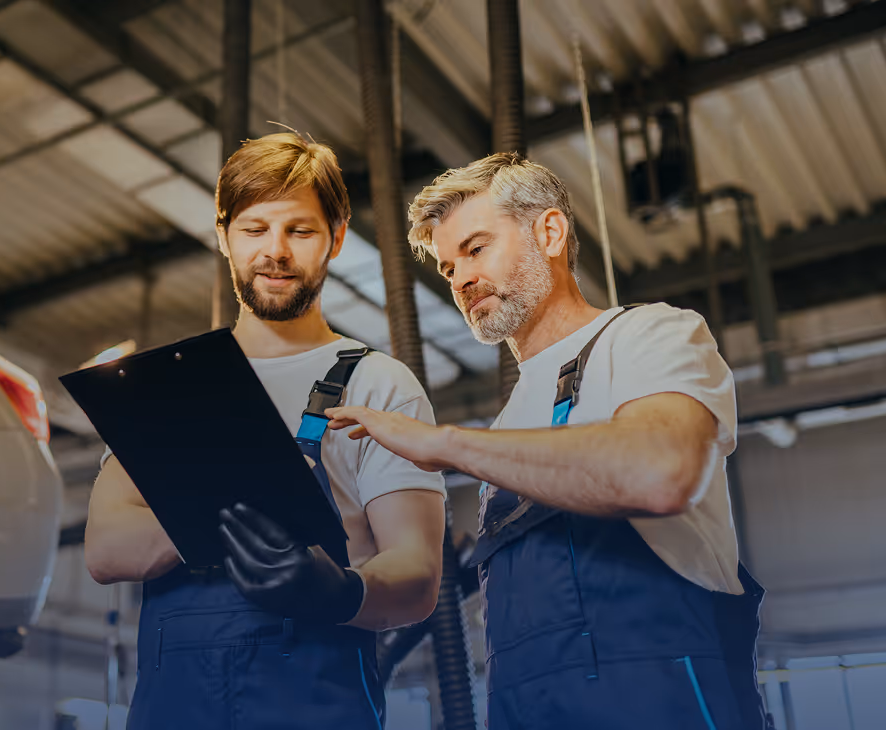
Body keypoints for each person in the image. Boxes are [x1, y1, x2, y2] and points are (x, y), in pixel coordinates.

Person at [326, 152, 769, 730]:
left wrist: (449, 445)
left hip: (660, 700)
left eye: (476, 248)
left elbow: (661, 471)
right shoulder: (511, 422)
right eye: (447, 266)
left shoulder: (646, 334)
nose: (460, 278)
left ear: (550, 232)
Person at [83, 132, 447, 730]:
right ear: (224, 235)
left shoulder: (379, 384)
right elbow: (104, 549)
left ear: (335, 235)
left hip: (315, 706)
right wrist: (232, 506)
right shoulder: (166, 388)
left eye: (299, 231)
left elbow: (417, 576)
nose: (274, 252)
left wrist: (338, 594)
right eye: (254, 230)